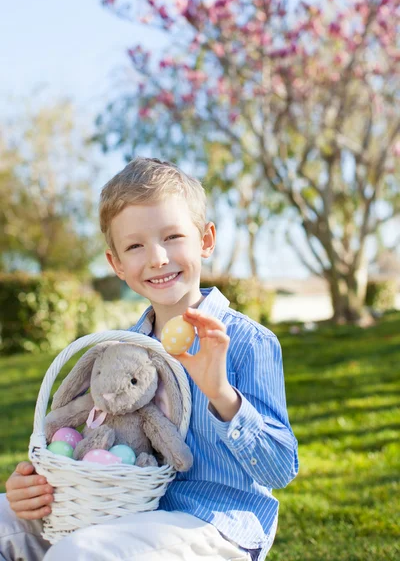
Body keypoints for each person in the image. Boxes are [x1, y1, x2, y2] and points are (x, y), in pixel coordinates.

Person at [1, 157, 299, 561]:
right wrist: (40, 480)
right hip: (124, 510)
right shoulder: (124, 350)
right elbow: (92, 433)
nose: (157, 257)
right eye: (135, 245)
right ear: (116, 264)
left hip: (215, 525)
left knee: (79, 553)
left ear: (206, 241)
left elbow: (280, 470)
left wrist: (222, 396)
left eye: (173, 236)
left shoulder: (246, 342)